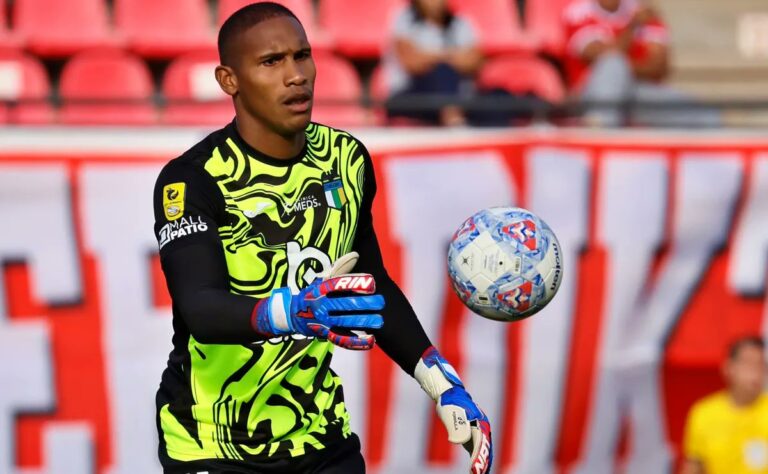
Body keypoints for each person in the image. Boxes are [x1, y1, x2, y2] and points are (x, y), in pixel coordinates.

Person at [152, 2, 492, 473]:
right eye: (271, 62)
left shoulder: (346, 159)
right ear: (229, 80)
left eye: (302, 56)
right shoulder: (193, 179)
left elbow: (373, 286)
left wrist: (442, 382)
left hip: (319, 437)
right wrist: (292, 310)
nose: (296, 76)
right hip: (212, 442)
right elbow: (201, 308)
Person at [563, 0, 718, 127]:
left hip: (637, 92)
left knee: (706, 114)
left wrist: (622, 71)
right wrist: (633, 26)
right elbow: (604, 57)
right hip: (592, 94)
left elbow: (659, 67)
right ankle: (599, 135)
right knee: (613, 66)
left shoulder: (642, 11)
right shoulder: (579, 11)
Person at [383, 0, 484, 126]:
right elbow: (412, 63)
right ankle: (452, 116)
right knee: (442, 71)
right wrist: (451, 56)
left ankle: (454, 114)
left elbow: (473, 62)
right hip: (412, 96)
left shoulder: (460, 22)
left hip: (460, 96)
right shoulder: (404, 20)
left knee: (499, 98)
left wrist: (430, 56)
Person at [682, 336, 768, 474]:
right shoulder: (705, 413)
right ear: (728, 368)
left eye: (761, 365)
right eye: (749, 363)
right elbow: (693, 467)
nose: (756, 372)